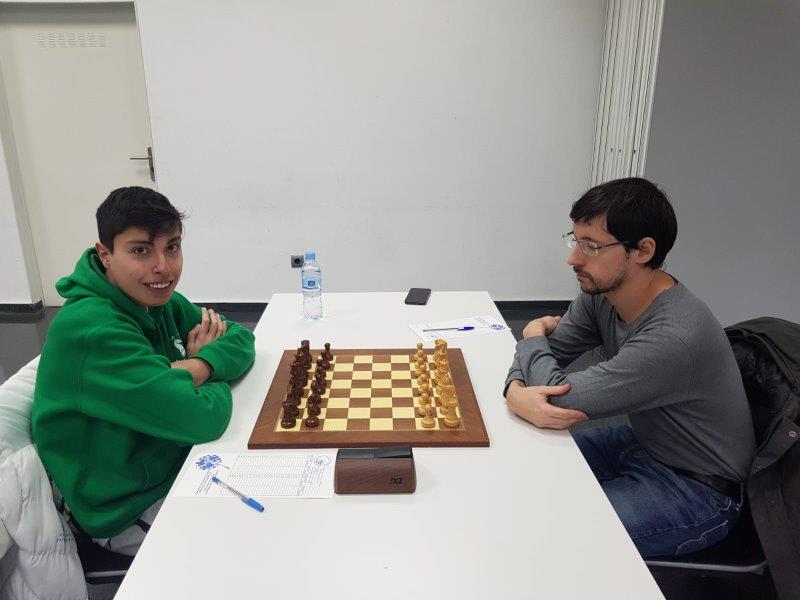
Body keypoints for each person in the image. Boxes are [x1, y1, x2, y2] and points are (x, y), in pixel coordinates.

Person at [504, 177, 756, 557]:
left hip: (696, 489)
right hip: (642, 442)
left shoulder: (674, 338)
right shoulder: (602, 293)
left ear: (642, 250)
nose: (573, 259)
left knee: (549, 535)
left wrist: (531, 337)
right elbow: (540, 362)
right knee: (516, 469)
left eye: (591, 246)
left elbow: (554, 397)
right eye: (575, 241)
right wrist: (515, 391)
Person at [32, 187, 256, 555]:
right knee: (247, 546)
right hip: (123, 507)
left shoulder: (154, 299)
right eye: (141, 251)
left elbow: (241, 338)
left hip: (175, 461)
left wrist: (198, 364)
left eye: (172, 247)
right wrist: (210, 371)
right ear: (105, 254)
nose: (163, 267)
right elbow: (202, 418)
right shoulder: (94, 330)